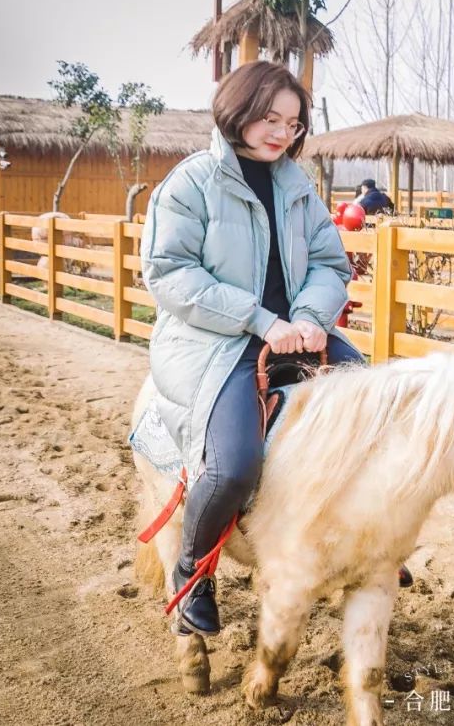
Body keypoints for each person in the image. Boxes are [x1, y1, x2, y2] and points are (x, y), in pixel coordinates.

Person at [141, 61, 370, 637]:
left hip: (296, 332)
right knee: (234, 462)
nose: (281, 133)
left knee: (378, 409)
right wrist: (261, 321)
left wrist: (315, 318)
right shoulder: (191, 182)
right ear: (237, 111)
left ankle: (371, 546)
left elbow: (328, 262)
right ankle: (191, 572)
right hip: (213, 342)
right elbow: (169, 272)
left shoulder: (298, 186)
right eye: (270, 118)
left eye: (292, 123)